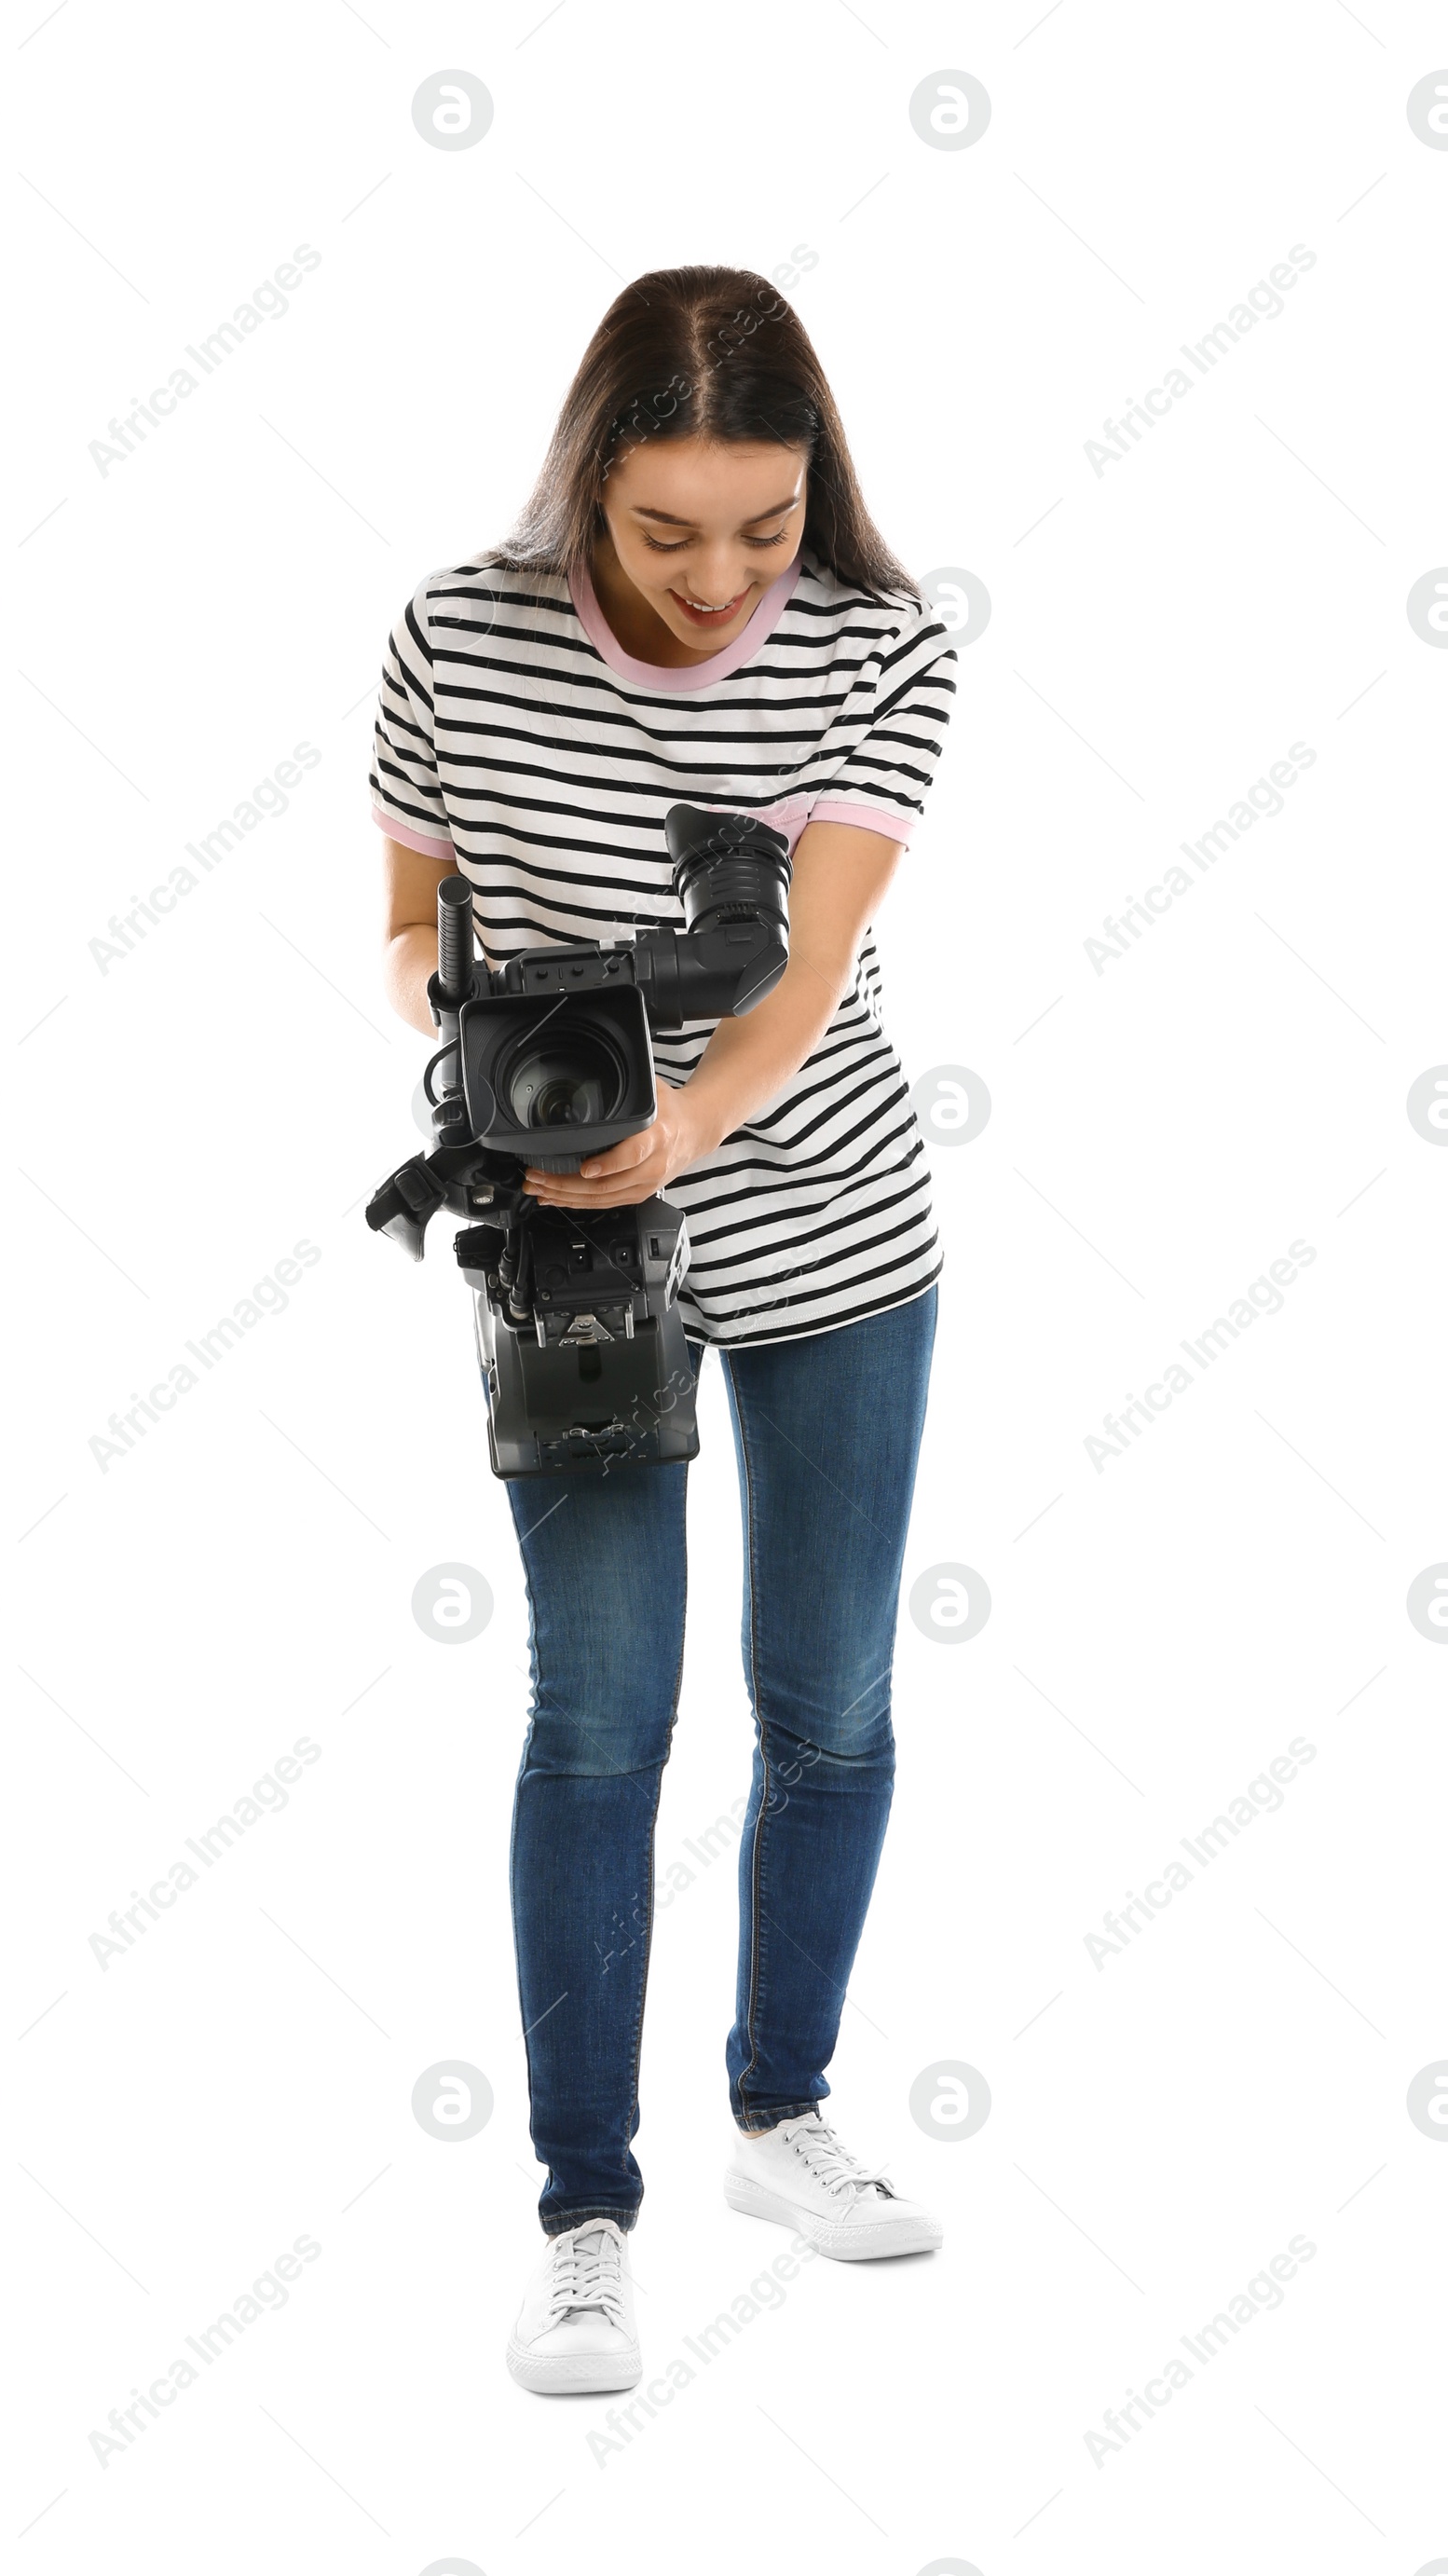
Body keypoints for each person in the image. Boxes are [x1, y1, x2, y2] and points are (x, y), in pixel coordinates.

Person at [372, 264, 958, 2396]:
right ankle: (582, 2215)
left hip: (828, 1219)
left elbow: (798, 973)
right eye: (664, 532)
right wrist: (476, 1064)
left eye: (765, 532)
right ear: (586, 483)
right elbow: (411, 918)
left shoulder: (883, 642)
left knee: (827, 1701)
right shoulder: (458, 632)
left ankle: (780, 2110)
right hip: (567, 1259)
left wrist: (685, 1115)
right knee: (599, 1717)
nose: (720, 581)